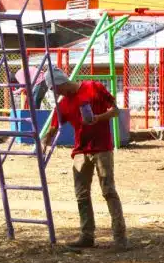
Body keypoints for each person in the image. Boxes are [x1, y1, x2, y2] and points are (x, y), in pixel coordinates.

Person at [41, 68, 128, 251]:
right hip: (81, 150)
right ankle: (87, 235)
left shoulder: (93, 87)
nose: (57, 93)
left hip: (102, 148)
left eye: (56, 89)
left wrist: (98, 118)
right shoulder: (63, 104)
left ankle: (120, 238)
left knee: (108, 191)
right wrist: (44, 141)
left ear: (61, 82)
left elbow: (115, 111)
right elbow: (53, 128)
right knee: (81, 194)